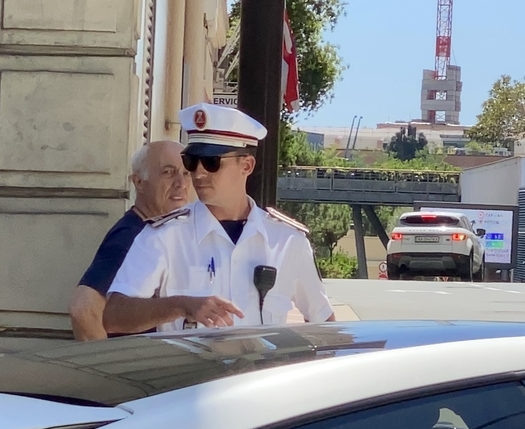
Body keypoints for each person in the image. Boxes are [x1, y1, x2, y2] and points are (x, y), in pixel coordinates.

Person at [104, 104, 332, 333]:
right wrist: (181, 305)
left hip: (261, 369)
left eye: (212, 162)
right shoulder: (165, 235)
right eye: (192, 162)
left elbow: (324, 325)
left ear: (247, 165)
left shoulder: (287, 240)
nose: (199, 173)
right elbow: (114, 315)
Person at [69, 140, 194, 340]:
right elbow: (83, 309)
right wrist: (106, 366)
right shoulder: (131, 235)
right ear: (138, 182)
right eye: (168, 172)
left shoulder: (163, 229)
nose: (181, 183)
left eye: (186, 173)